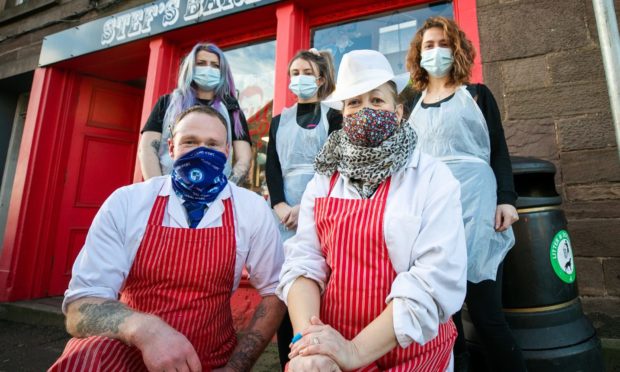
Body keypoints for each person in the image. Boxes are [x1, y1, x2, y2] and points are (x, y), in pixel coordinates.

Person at [50, 105, 286, 372]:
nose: (201, 151)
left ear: (227, 153)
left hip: (209, 359)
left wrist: (236, 367)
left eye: (212, 144)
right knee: (86, 357)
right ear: (171, 148)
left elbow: (274, 292)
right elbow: (80, 307)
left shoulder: (250, 208)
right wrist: (146, 329)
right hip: (127, 354)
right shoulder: (128, 202)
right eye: (190, 142)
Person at [276, 49, 467, 371]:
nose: (365, 110)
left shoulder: (432, 177)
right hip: (332, 343)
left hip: (412, 354)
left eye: (376, 101)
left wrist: (355, 351)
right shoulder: (324, 178)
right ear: (343, 114)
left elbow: (435, 278)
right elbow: (305, 261)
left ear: (398, 112)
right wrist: (311, 341)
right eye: (354, 102)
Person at [405, 16, 526, 372]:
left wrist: (507, 198)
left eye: (443, 44)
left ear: (456, 48)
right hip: (431, 208)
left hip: (477, 206)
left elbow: (499, 152)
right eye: (429, 45)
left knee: (487, 312)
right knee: (445, 316)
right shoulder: (410, 101)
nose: (436, 51)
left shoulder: (477, 95)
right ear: (419, 53)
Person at [265, 48, 341, 369]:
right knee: (287, 290)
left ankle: (324, 356)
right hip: (283, 218)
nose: (299, 79)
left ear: (320, 78)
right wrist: (281, 204)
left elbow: (336, 162)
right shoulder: (278, 120)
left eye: (306, 72)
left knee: (322, 284)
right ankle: (291, 359)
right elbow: (272, 168)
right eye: (294, 73)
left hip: (322, 207)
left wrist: (304, 206)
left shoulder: (334, 115)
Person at [139, 42, 252, 184]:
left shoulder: (232, 111)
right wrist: (157, 189)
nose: (208, 69)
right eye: (201, 63)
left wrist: (225, 189)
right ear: (190, 68)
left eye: (215, 66)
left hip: (216, 192)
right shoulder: (167, 103)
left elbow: (244, 158)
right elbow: (147, 150)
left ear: (223, 72)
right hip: (169, 187)